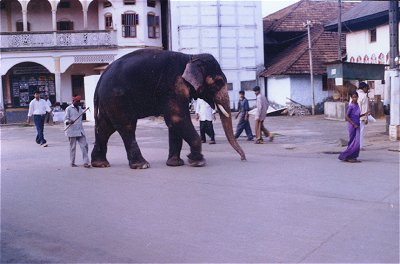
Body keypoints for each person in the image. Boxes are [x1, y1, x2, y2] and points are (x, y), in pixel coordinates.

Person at [64, 95, 91, 168]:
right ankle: (72, 162)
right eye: (77, 101)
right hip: (72, 130)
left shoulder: (80, 108)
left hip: (80, 130)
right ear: (73, 101)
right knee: (73, 147)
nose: (79, 103)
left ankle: (86, 162)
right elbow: (65, 119)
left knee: (85, 145)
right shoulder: (68, 109)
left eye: (79, 101)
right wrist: (69, 121)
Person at [339, 91, 361, 162]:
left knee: (357, 142)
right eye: (353, 97)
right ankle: (347, 156)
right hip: (352, 126)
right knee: (352, 141)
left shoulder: (357, 105)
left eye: (356, 97)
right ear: (351, 98)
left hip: (357, 125)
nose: (355, 98)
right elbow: (346, 117)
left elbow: (357, 115)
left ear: (358, 97)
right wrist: (353, 124)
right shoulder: (351, 106)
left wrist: (365, 114)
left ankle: (353, 156)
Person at [354, 81, 370, 150]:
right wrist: (366, 118)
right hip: (361, 117)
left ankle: (354, 145)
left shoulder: (354, 95)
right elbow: (364, 109)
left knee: (354, 132)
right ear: (364, 88)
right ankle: (359, 146)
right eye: (367, 88)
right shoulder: (364, 96)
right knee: (360, 132)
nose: (367, 90)